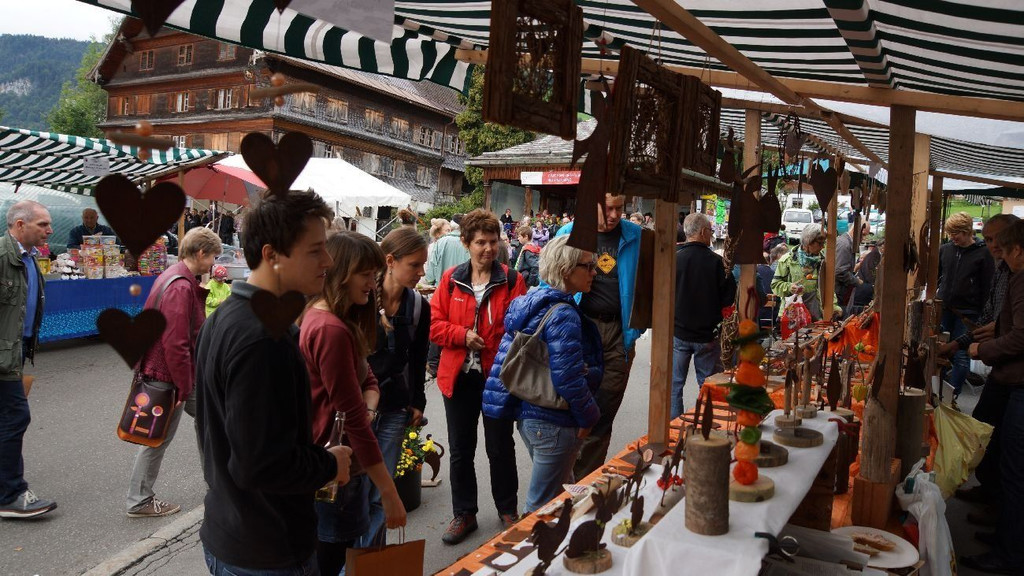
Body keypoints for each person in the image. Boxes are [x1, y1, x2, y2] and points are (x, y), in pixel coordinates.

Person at [195, 191, 352, 575]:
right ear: (272, 255)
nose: (328, 261)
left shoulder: (227, 317)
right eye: (315, 250)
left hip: (233, 533)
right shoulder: (263, 338)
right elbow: (258, 464)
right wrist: (329, 463)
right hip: (266, 549)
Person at [299, 231, 407, 574]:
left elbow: (368, 380)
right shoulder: (330, 329)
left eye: (374, 275)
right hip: (337, 472)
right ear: (342, 273)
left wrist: (368, 405)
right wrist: (389, 492)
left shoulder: (325, 318)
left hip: (334, 465)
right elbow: (354, 419)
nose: (373, 285)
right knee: (332, 559)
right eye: (365, 275)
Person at [483, 236, 603, 513]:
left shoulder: (532, 301)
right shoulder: (563, 314)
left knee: (559, 494)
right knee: (540, 508)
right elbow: (568, 378)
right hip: (554, 421)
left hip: (530, 416)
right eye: (588, 266)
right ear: (566, 270)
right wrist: (589, 416)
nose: (595, 272)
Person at [430, 209, 526, 544]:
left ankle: (507, 509)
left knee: (500, 446)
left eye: (493, 241)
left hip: (497, 377)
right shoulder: (450, 280)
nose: (488, 248)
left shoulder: (512, 280)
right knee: (461, 449)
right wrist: (461, 335)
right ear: (466, 243)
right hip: (458, 378)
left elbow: (521, 328)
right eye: (481, 242)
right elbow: (434, 326)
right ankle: (464, 514)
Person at [126, 227, 222, 518]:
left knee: (209, 419)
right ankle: (139, 500)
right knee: (158, 435)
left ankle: (218, 484)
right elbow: (176, 342)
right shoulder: (181, 286)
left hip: (169, 372)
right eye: (213, 257)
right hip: (169, 374)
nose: (214, 263)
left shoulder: (174, 276)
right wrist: (182, 386)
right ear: (201, 253)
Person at [555, 194, 644, 479]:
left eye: (620, 208)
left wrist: (637, 327)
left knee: (602, 413)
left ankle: (584, 482)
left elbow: (650, 283)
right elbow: (550, 280)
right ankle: (562, 477)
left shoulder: (636, 236)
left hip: (618, 333)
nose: (615, 214)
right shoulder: (569, 233)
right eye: (608, 208)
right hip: (578, 327)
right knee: (571, 407)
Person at [359, 227, 430, 548]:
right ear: (390, 261)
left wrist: (417, 402)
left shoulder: (418, 306)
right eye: (414, 265)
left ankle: (370, 557)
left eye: (423, 265)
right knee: (351, 491)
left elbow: (418, 358)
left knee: (379, 491)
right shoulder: (360, 298)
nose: (421, 272)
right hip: (357, 409)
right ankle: (347, 558)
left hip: (394, 410)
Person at [961, 219, 1024, 575]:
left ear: (1018, 249)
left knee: (1015, 472)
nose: (997, 250)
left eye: (1002, 244)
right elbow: (1009, 325)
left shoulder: (1021, 277)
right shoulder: (1014, 275)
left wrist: (981, 350)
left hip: (1019, 383)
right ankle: (1005, 538)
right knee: (1008, 463)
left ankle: (1010, 554)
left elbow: (1020, 336)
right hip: (1012, 379)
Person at [944, 214, 1020, 507]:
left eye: (997, 239)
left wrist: (980, 347)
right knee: (986, 426)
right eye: (988, 239)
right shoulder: (1004, 269)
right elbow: (992, 319)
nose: (993, 245)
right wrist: (958, 344)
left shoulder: (1016, 274)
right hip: (1003, 367)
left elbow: (1012, 333)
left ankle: (998, 507)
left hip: (1013, 371)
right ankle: (989, 491)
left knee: (1005, 443)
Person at [0, 201, 55, 519]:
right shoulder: (3, 256)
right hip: (3, 355)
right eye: (43, 224)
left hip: (15, 350)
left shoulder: (29, 256)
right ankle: (10, 494)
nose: (50, 230)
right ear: (20, 225)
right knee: (15, 416)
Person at [671, 213, 736, 419]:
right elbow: (729, 299)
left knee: (674, 385)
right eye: (710, 230)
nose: (711, 234)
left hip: (678, 331)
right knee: (708, 384)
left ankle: (673, 426)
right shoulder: (717, 263)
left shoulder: (674, 259)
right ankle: (707, 424)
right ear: (702, 232)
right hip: (707, 334)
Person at [938, 211, 995, 397]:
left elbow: (987, 287)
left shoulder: (983, 253)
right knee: (939, 350)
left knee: (961, 355)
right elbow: (937, 275)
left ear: (967, 231)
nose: (952, 237)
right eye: (950, 233)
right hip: (945, 308)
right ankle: (937, 392)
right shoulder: (945, 250)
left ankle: (952, 396)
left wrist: (984, 315)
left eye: (956, 233)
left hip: (968, 312)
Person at [772, 224, 841, 322]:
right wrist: (789, 287)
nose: (822, 247)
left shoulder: (822, 262)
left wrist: (835, 308)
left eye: (823, 243)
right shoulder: (787, 260)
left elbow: (828, 289)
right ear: (808, 242)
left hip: (815, 316)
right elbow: (775, 285)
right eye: (820, 243)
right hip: (791, 315)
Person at [425, 215, 469, 286]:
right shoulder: (470, 243)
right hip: (464, 289)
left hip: (442, 288)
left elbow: (430, 276)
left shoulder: (440, 242)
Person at [835, 222, 868, 315]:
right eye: (863, 235)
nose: (863, 238)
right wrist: (857, 282)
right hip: (837, 292)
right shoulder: (844, 244)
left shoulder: (848, 243)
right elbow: (840, 272)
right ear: (855, 231)